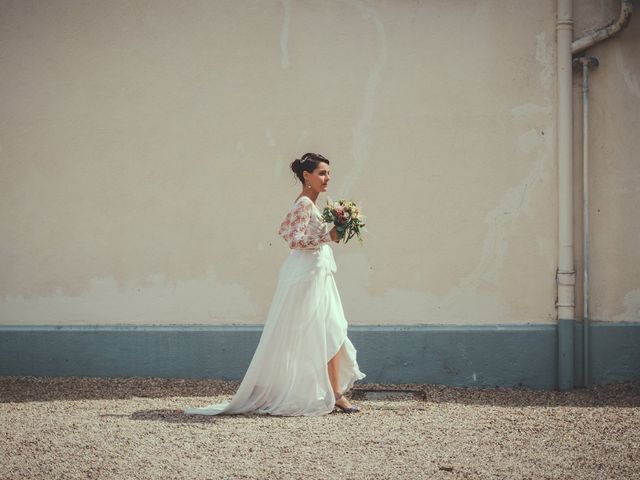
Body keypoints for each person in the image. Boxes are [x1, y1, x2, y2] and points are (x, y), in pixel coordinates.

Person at [183, 152, 365, 416]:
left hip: (319, 273)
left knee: (332, 327)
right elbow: (292, 239)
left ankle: (335, 392)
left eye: (328, 173)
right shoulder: (304, 203)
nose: (327, 178)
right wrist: (327, 236)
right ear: (307, 175)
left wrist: (341, 226)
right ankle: (297, 390)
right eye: (322, 173)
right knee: (307, 331)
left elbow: (316, 236)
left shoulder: (313, 204)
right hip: (305, 275)